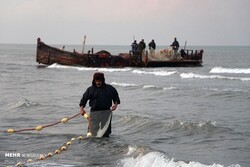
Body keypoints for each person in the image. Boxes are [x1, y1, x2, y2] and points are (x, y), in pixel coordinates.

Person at [79, 72, 120, 137]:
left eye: (100, 81)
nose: (98, 83)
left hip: (106, 113)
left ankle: (105, 146)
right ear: (94, 81)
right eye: (96, 81)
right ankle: (93, 146)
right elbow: (84, 99)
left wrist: (115, 104)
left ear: (103, 80)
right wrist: (81, 109)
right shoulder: (90, 89)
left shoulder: (110, 88)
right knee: (92, 132)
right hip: (94, 112)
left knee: (106, 133)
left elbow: (116, 97)